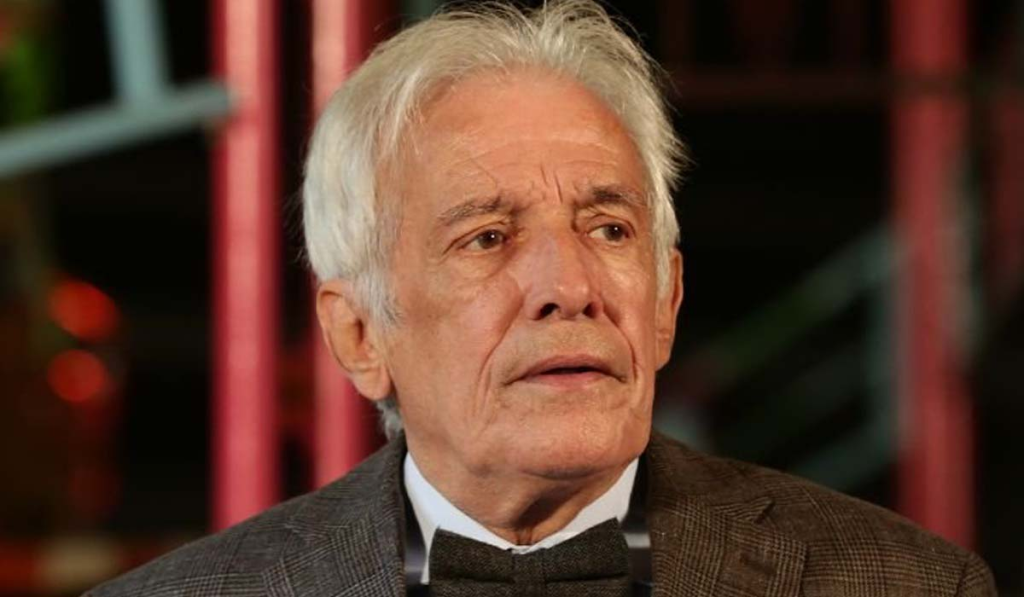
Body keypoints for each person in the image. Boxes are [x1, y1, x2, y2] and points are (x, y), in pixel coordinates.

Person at [87, 1, 996, 596]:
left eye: (609, 229)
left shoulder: (907, 584)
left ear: (667, 299)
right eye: (488, 237)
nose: (570, 289)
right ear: (359, 333)